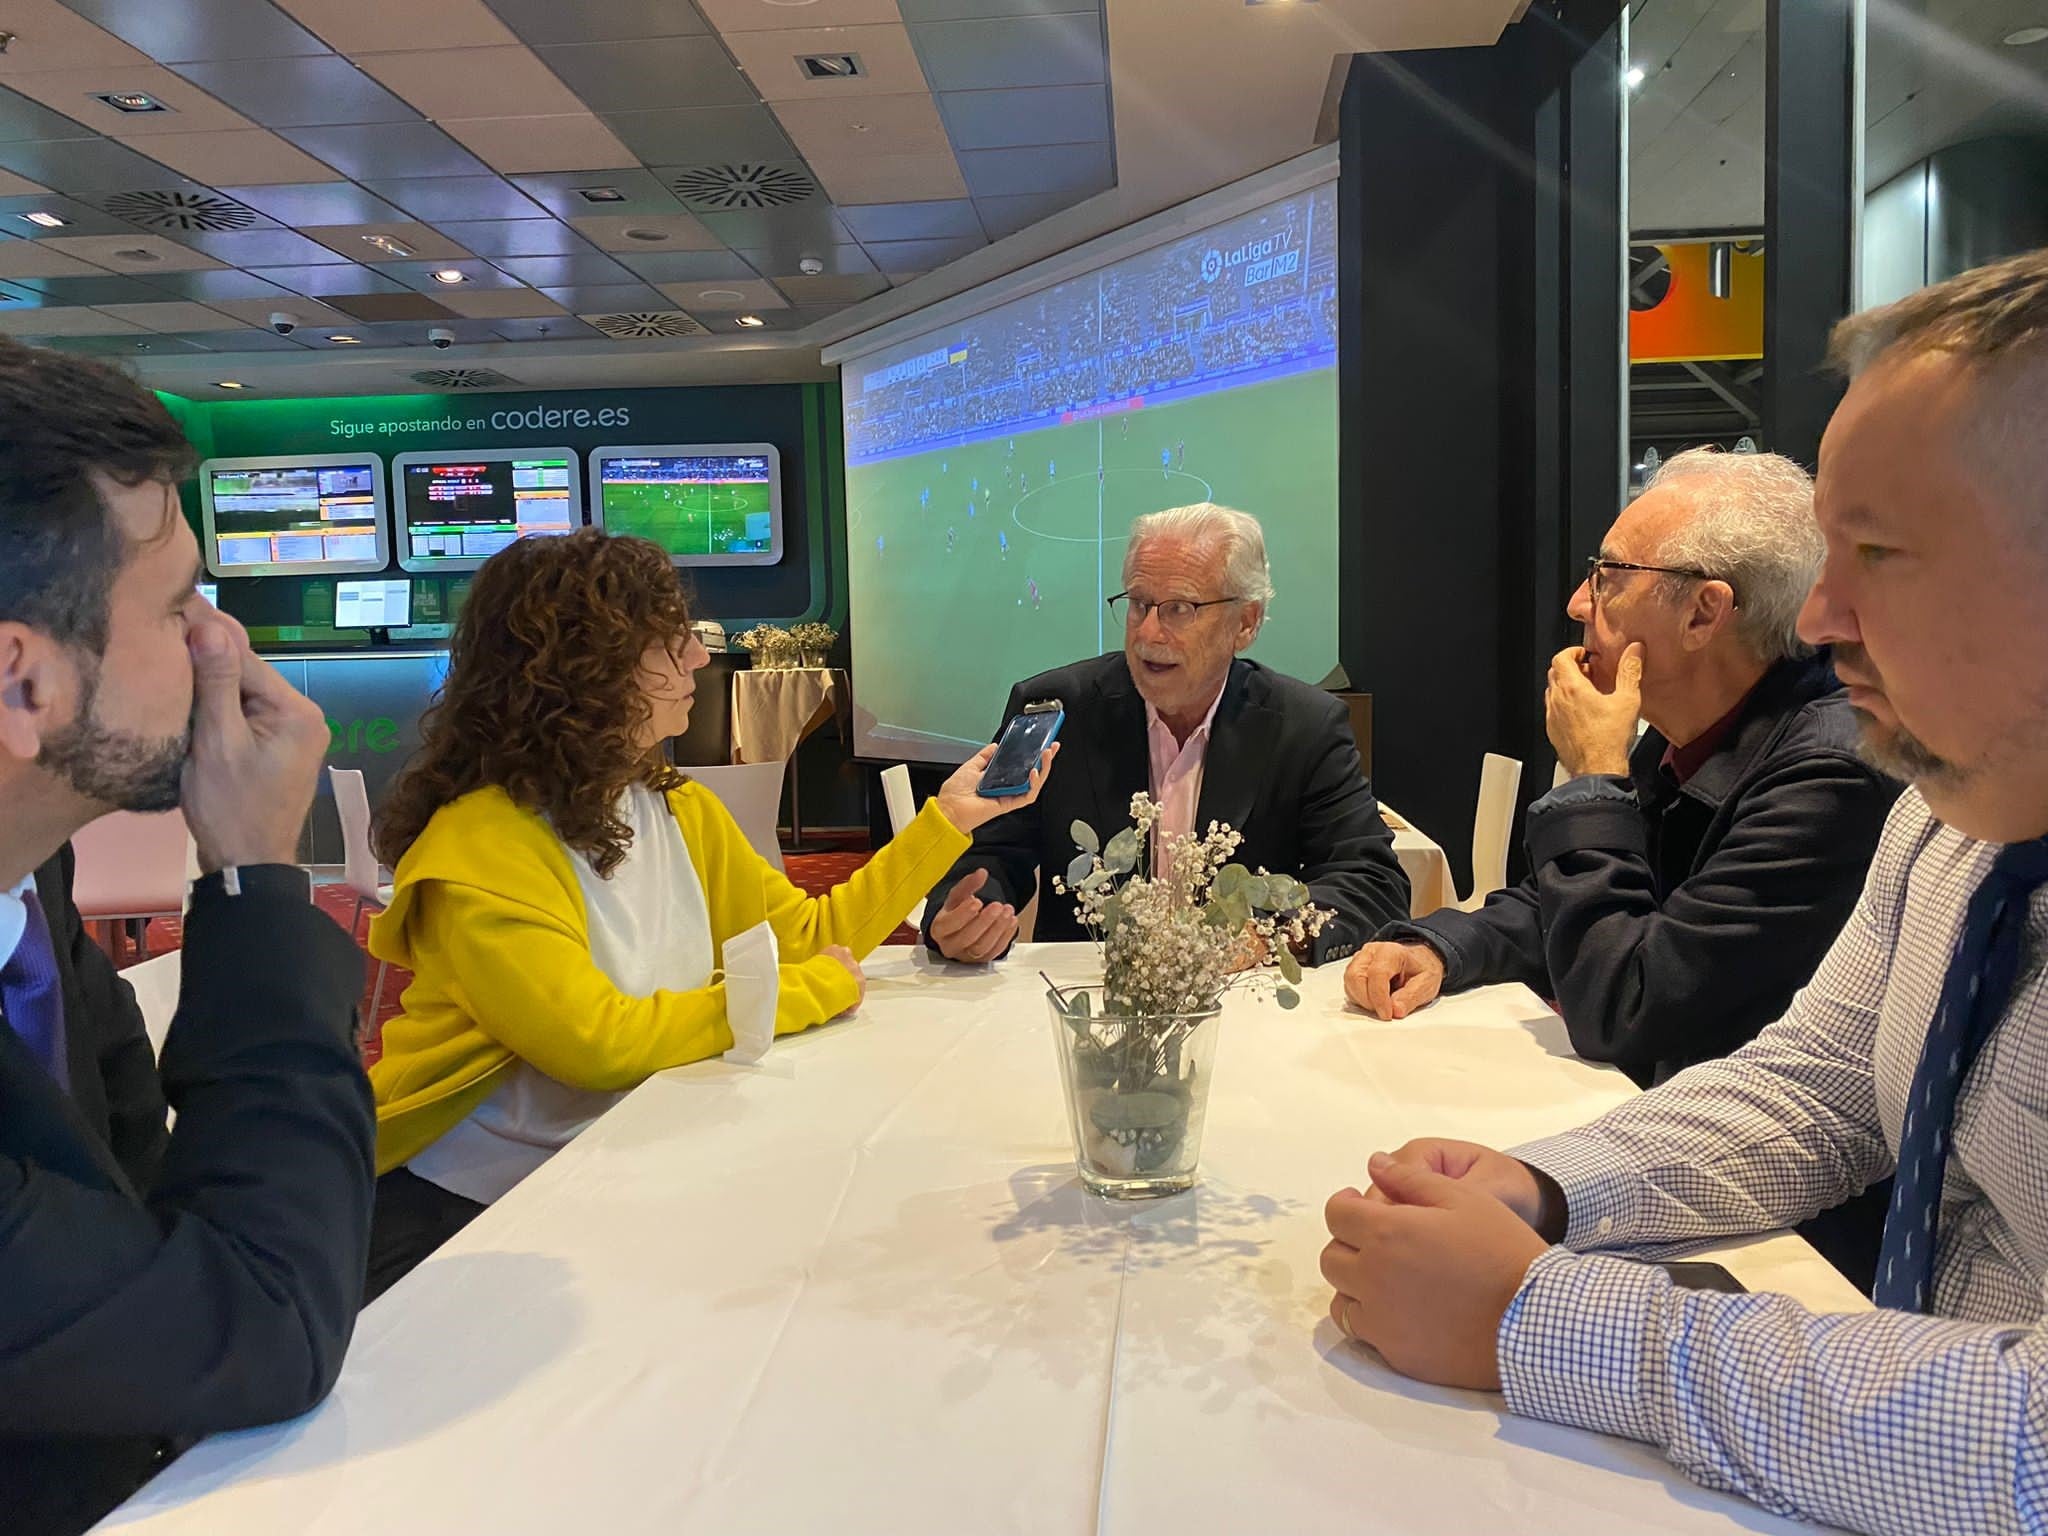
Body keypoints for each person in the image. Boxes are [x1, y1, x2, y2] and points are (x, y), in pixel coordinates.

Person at [1319, 248, 2048, 1536]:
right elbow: (1814, 1087)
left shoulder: (1860, 773)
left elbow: (2029, 1450)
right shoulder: (1949, 821)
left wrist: (1533, 1317)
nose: (1819, 618)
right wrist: (1545, 1188)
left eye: (1876, 552)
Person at [365, 530, 1054, 1299]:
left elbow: (806, 939)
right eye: (670, 640)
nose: (698, 658)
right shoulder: (474, 849)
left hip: (620, 1171)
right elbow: (598, 1042)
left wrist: (948, 822)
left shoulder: (675, 807)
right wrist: (810, 992)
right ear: (586, 669)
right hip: (469, 1215)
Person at [0, 340, 375, 1535]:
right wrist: (256, 876)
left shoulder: (29, 882)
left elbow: (149, 1218)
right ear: (22, 684)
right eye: (174, 609)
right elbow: (261, 1317)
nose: (219, 645)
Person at [1345, 449, 1899, 1086]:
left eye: (1609, 575)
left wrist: (1592, 781)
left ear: (1703, 612)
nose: (1579, 603)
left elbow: (1626, 1006)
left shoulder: (1828, 778)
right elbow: (1559, 902)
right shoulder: (1695, 730)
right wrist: (1442, 946)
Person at [923, 503, 1408, 965]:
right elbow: (987, 851)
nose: (1147, 633)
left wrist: (1263, 935)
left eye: (1179, 608)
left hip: (1242, 1006)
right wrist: (965, 913)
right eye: (1138, 604)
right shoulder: (1056, 707)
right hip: (1088, 1006)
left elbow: (1371, 880)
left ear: (1246, 622)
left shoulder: (1305, 726)